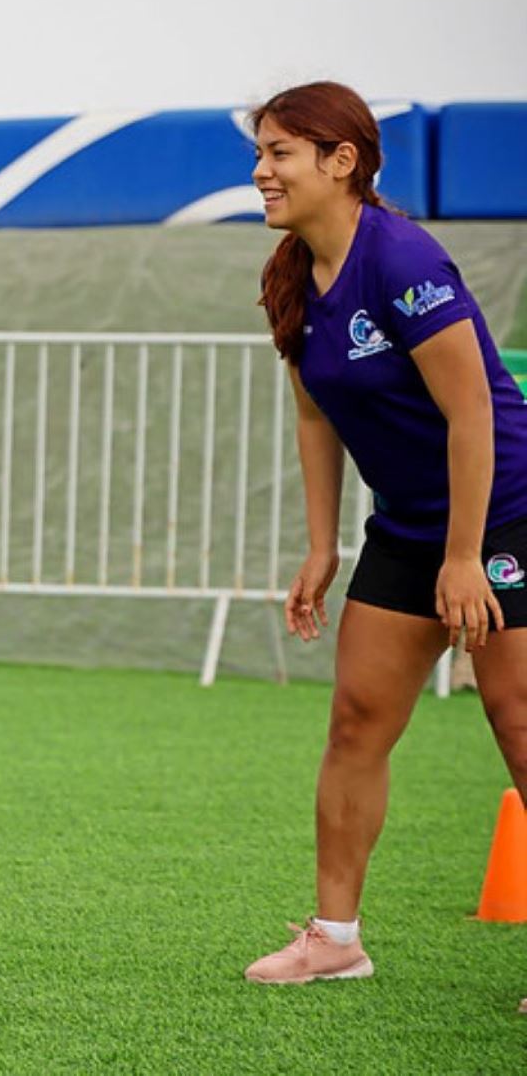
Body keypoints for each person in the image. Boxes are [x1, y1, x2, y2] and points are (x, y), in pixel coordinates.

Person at [241, 82, 527, 992]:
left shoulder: (402, 256)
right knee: (357, 723)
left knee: (516, 723)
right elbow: (316, 416)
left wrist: (463, 558)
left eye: (281, 152)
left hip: (507, 512)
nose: (261, 171)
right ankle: (335, 938)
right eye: (261, 153)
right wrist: (323, 547)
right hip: (405, 528)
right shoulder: (293, 271)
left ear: (342, 160)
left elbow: (473, 410)